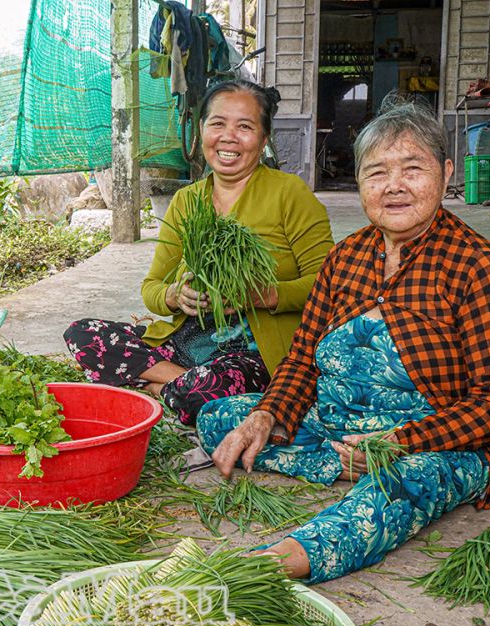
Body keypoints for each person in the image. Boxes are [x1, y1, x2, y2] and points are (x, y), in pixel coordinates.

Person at [198, 97, 490, 583]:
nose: (393, 186)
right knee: (221, 418)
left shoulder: (476, 265)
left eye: (412, 169)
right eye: (376, 174)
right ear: (360, 185)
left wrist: (397, 443)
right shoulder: (346, 257)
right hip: (336, 426)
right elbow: (303, 359)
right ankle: (348, 464)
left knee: (406, 484)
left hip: (426, 444)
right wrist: (266, 415)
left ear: (446, 171)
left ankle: (283, 559)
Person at [64, 80, 334, 425]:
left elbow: (330, 284)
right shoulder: (187, 201)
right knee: (83, 334)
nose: (229, 137)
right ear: (201, 130)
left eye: (245, 126)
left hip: (253, 355)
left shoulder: (289, 193)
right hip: (187, 343)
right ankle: (175, 385)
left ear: (264, 139)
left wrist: (262, 295)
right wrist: (176, 296)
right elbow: (152, 288)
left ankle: (151, 386)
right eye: (217, 123)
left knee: (206, 390)